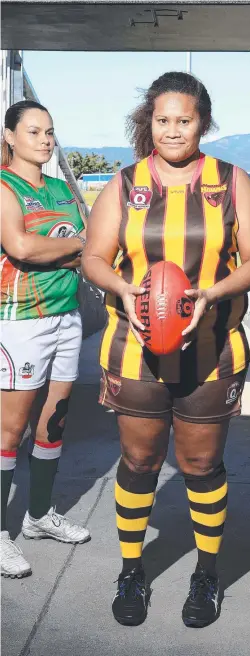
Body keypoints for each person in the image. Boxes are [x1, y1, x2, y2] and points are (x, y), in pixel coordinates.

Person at [82, 71, 250, 627]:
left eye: (183, 120)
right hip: (134, 349)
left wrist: (210, 293)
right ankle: (132, 569)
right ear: (150, 122)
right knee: (139, 460)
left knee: (201, 463)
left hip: (210, 351)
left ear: (202, 123)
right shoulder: (124, 184)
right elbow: (95, 256)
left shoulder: (233, 182)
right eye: (162, 120)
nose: (172, 130)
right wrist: (124, 290)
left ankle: (206, 575)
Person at [1, 100, 91, 579]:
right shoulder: (4, 186)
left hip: (66, 315)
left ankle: (37, 518)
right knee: (8, 431)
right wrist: (75, 246)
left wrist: (68, 251)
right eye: (33, 131)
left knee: (53, 422)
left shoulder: (59, 188)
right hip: (21, 320)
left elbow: (87, 250)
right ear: (11, 137)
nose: (44, 139)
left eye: (50, 132)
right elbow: (21, 247)